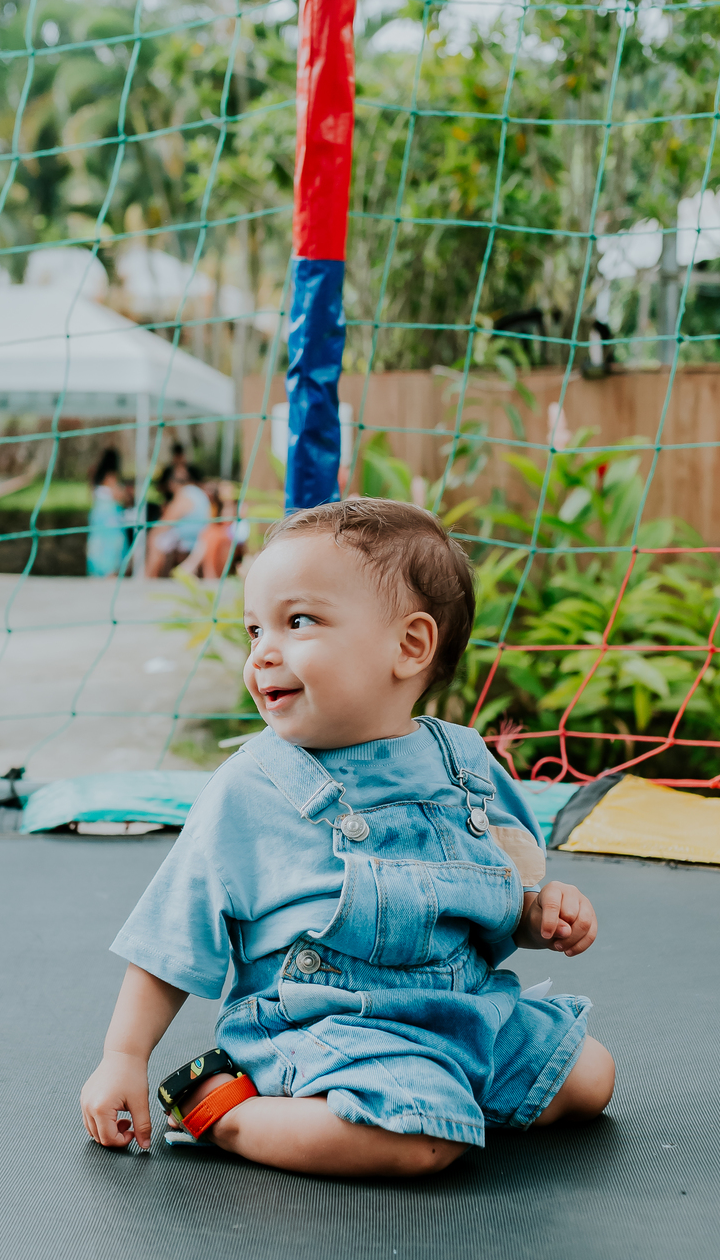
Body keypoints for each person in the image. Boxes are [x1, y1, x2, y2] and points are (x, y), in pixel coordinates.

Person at [81, 498, 614, 1179]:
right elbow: (170, 937)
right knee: (418, 1145)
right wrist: (124, 1056)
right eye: (254, 629)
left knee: (590, 1077)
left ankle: (432, 1094)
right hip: (327, 1028)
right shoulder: (250, 788)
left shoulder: (468, 766)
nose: (262, 652)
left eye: (298, 621)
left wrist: (542, 914)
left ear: (411, 645)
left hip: (462, 1011)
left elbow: (508, 893)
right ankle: (223, 1110)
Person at [145, 459, 213, 577]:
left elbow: (165, 523)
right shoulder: (196, 492)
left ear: (170, 483)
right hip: (199, 538)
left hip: (191, 540)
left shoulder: (184, 494)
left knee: (154, 538)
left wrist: (150, 535)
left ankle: (148, 578)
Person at [182, 480, 250, 580]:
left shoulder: (240, 506)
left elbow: (241, 530)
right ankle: (204, 572)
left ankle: (195, 568)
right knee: (210, 535)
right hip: (221, 536)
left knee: (212, 536)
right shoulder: (217, 506)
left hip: (234, 538)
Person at [85, 447, 133, 577]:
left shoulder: (95, 474)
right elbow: (119, 495)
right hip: (110, 518)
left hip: (97, 515)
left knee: (97, 549)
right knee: (112, 553)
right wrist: (127, 494)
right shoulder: (111, 475)